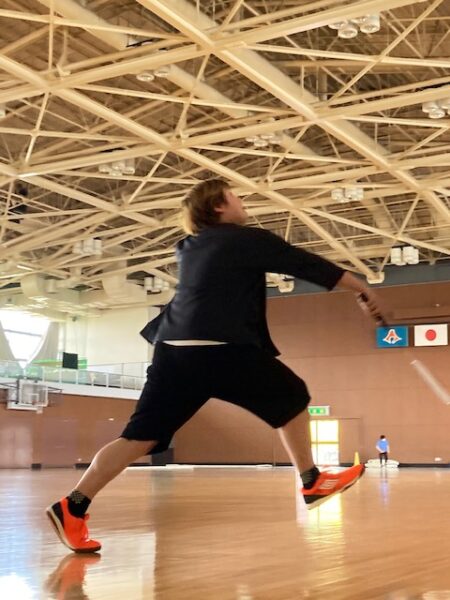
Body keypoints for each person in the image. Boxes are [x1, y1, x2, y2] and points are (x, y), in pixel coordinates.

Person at [46, 178, 385, 553]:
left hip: (172, 351)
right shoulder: (244, 239)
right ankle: (311, 480)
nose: (242, 202)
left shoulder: (188, 246)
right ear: (219, 205)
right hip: (218, 347)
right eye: (235, 196)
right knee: (292, 396)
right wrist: (362, 288)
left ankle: (73, 505)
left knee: (140, 438)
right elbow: (304, 263)